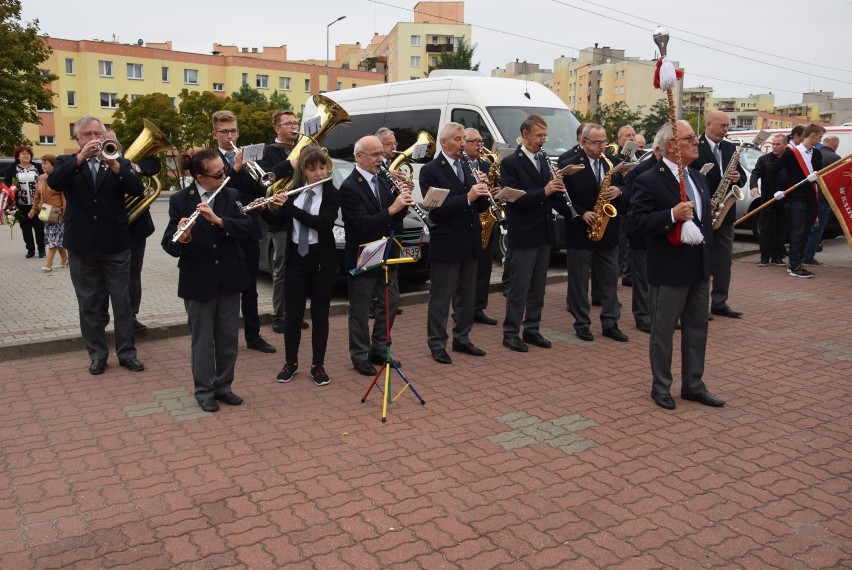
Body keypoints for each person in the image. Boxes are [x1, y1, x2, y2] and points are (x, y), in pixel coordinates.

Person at [629, 120, 725, 411]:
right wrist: (670, 214)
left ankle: (694, 385)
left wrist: (708, 268)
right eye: (689, 139)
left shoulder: (697, 178)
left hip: (697, 267)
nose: (696, 143)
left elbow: (706, 228)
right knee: (663, 331)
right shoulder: (649, 179)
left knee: (697, 329)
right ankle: (661, 387)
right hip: (669, 269)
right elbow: (635, 224)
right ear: (671, 145)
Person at [47, 116, 145, 375]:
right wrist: (80, 159)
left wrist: (115, 166)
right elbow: (54, 183)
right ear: (77, 139)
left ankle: (126, 354)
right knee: (88, 302)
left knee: (122, 301)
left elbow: (138, 189)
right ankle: (97, 354)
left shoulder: (118, 162)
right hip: (81, 244)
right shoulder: (66, 162)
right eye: (87, 135)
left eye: (97, 134)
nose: (93, 140)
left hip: (115, 243)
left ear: (105, 136)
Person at [162, 149, 252, 412]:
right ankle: (204, 390)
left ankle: (224, 386)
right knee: (202, 340)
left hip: (229, 276)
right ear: (200, 177)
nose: (225, 175)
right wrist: (185, 235)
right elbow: (169, 245)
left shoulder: (231, 195)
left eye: (224, 170)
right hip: (198, 278)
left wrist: (221, 221)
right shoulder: (181, 199)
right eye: (218, 174)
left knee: (227, 337)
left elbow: (249, 228)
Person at [259, 146, 341, 386]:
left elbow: (322, 224)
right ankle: (291, 362)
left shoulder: (332, 194)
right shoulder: (293, 191)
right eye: (312, 168)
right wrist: (264, 209)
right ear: (303, 170)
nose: (318, 172)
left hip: (321, 261)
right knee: (292, 316)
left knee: (320, 315)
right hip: (296, 260)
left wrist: (289, 207)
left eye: (322, 167)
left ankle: (318, 365)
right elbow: (279, 221)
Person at [419, 122, 490, 364]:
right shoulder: (430, 170)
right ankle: (437, 343)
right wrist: (468, 197)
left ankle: (462, 338)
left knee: (467, 295)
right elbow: (434, 209)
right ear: (444, 142)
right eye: (458, 139)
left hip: (470, 242)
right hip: (447, 242)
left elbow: (479, 207)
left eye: (464, 140)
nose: (463, 144)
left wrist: (484, 191)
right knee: (441, 297)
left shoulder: (469, 166)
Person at [499, 114, 572, 352]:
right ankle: (510, 333)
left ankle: (532, 329)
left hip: (543, 232)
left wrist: (570, 206)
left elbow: (551, 197)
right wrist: (545, 191)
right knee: (520, 286)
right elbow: (514, 198)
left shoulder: (543, 159)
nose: (542, 140)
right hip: (523, 232)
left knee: (538, 286)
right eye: (539, 135)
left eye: (544, 135)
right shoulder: (511, 162)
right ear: (525, 134)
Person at [341, 135, 412, 376]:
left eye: (381, 154)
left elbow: (393, 218)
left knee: (390, 302)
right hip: (363, 253)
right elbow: (362, 224)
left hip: (387, 251)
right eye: (375, 155)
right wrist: (393, 208)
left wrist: (402, 204)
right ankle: (359, 355)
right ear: (359, 157)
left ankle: (379, 348)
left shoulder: (383, 180)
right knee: (360, 308)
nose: (381, 159)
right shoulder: (349, 186)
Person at [211, 110, 276, 354]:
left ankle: (253, 335)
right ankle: (221, 337)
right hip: (222, 230)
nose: (230, 136)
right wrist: (235, 170)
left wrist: (261, 186)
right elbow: (218, 190)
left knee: (250, 287)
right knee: (224, 288)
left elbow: (255, 188)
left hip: (247, 229)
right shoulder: (209, 158)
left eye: (233, 131)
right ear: (215, 133)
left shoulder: (250, 157)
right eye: (225, 132)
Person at [559, 123, 628, 343]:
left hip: (608, 231)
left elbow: (632, 189)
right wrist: (581, 213)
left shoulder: (614, 164)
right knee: (579, 282)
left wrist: (620, 190)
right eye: (597, 143)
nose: (602, 147)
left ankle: (610, 323)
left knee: (609, 280)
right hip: (581, 231)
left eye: (604, 142)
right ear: (583, 142)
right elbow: (560, 199)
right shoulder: (569, 165)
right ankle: (582, 323)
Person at [690, 111, 746, 319]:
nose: (726, 130)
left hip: (725, 211)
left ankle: (720, 301)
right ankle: (699, 304)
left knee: (724, 260)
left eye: (727, 126)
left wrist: (738, 177)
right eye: (722, 126)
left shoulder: (730, 147)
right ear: (709, 124)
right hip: (703, 210)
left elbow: (740, 177)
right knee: (701, 259)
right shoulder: (696, 145)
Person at [258, 110, 307, 333]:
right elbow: (265, 177)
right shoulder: (268, 151)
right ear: (277, 128)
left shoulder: (304, 148)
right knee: (281, 271)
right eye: (288, 124)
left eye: (295, 123)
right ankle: (279, 314)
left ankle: (295, 313)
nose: (294, 127)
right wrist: (291, 163)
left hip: (302, 214)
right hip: (280, 218)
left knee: (300, 269)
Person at [103, 127, 157, 333]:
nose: (109, 145)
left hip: (134, 227)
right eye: (105, 141)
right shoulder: (93, 164)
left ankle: (131, 317)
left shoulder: (128, 160)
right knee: (105, 277)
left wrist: (137, 170)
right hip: (107, 227)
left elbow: (154, 163)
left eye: (112, 141)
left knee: (133, 274)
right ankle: (104, 319)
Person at [623, 132, 665, 333]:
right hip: (643, 232)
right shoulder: (641, 171)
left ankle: (660, 314)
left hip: (662, 231)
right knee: (642, 278)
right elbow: (632, 201)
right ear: (658, 150)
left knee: (661, 277)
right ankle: (642, 316)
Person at [771, 124, 825, 278]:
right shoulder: (792, 153)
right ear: (813, 135)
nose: (820, 140)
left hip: (811, 197)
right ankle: (794, 265)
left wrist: (817, 176)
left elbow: (819, 173)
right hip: (796, 197)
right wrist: (778, 190)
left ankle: (798, 261)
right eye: (820, 136)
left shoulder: (817, 155)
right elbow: (773, 170)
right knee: (798, 230)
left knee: (807, 230)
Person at [463, 127, 499, 326]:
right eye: (474, 141)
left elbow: (493, 189)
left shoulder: (485, 164)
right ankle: (463, 310)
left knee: (485, 266)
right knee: (468, 270)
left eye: (481, 141)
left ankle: (479, 308)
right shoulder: (462, 165)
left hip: (486, 218)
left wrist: (495, 190)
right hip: (468, 220)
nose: (479, 145)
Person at [749, 134, 788, 267]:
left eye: (778, 144)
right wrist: (753, 186)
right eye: (773, 144)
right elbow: (755, 173)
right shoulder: (764, 159)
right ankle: (765, 257)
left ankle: (777, 257)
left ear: (785, 145)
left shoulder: (790, 159)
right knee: (765, 228)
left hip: (785, 200)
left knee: (781, 228)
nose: (775, 147)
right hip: (767, 199)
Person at [802, 135, 840, 265]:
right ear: (835, 145)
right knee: (818, 228)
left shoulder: (812, 154)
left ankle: (799, 254)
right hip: (823, 198)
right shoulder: (835, 158)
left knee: (805, 226)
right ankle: (807, 256)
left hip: (809, 196)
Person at [4, 146, 45, 258]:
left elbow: (46, 178)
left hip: (37, 203)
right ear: (18, 156)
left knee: (40, 227)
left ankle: (42, 249)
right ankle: (30, 250)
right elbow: (7, 183)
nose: (26, 155)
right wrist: (12, 188)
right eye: (23, 154)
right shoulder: (12, 168)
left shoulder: (38, 167)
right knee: (25, 229)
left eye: (28, 153)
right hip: (20, 204)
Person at [31, 154, 68, 272]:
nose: (43, 166)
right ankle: (64, 259)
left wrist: (64, 212)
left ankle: (48, 263)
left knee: (53, 238)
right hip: (46, 212)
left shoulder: (59, 178)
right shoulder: (41, 178)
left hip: (58, 212)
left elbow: (64, 197)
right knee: (55, 238)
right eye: (42, 163)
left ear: (54, 165)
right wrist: (33, 210)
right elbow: (37, 196)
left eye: (46, 163)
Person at [614, 125, 637, 286]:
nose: (631, 138)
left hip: (635, 208)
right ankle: (613, 281)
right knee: (619, 248)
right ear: (619, 140)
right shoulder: (614, 158)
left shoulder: (640, 157)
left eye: (633, 135)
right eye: (627, 136)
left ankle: (629, 274)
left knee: (632, 246)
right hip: (621, 209)